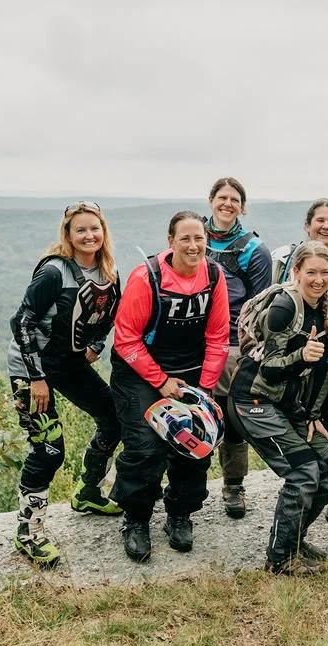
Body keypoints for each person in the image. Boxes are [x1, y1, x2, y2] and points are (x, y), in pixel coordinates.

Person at [109, 210, 230, 562]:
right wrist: (160, 381)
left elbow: (219, 335)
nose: (193, 246)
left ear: (207, 241)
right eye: (185, 239)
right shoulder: (147, 277)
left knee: (195, 443)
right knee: (145, 447)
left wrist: (205, 390)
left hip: (191, 368)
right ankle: (136, 518)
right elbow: (126, 339)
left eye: (199, 239)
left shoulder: (213, 274)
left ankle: (180, 513)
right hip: (140, 370)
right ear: (170, 241)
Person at [7, 201, 121, 566]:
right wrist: (36, 378)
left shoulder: (108, 273)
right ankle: (30, 532)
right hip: (31, 367)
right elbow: (21, 323)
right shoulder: (54, 273)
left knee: (114, 417)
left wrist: (95, 346)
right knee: (49, 449)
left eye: (94, 229)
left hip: (68, 363)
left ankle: (88, 491)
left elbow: (106, 318)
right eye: (80, 230)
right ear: (68, 236)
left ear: (103, 232)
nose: (89, 235)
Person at [229, 241, 328, 576]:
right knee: (304, 473)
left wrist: (312, 415)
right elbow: (269, 367)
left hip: (289, 406)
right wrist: (300, 357)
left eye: (325, 272)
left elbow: (326, 367)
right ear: (296, 272)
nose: (319, 279)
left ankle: (293, 539)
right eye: (311, 272)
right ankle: (279, 559)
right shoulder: (283, 307)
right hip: (253, 399)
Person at [270, 199, 328, 523]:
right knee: (305, 415)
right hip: (297, 353)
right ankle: (310, 479)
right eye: (320, 220)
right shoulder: (285, 257)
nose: (326, 226)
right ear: (307, 224)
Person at [204, 177, 273, 519]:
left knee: (230, 417)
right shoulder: (193, 238)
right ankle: (187, 485)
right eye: (222, 197)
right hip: (193, 343)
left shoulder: (253, 250)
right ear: (210, 200)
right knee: (193, 414)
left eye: (234, 199)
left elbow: (261, 306)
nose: (227, 203)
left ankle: (233, 485)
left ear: (242, 206)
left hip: (233, 345)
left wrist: (250, 352)